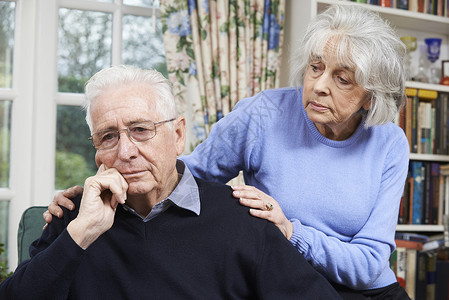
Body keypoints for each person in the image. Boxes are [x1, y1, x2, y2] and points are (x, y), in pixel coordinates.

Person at [44, 3, 411, 299]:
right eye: (315, 68)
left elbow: (369, 264)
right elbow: (176, 172)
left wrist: (290, 231)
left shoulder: (390, 144)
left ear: (371, 95)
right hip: (277, 282)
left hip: (371, 293)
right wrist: (98, 189)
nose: (318, 85)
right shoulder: (264, 114)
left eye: (342, 78)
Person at [0, 65, 342, 299]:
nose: (126, 151)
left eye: (140, 130)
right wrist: (80, 234)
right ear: (96, 151)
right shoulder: (73, 221)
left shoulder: (242, 218)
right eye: (108, 137)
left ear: (177, 135)